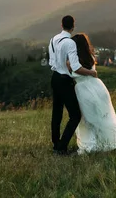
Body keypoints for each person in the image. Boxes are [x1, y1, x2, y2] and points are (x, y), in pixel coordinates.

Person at [69, 33, 116, 154]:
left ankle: (91, 144)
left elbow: (74, 70)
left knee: (87, 119)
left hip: (84, 91)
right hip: (97, 87)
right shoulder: (90, 56)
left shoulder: (73, 60)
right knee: (101, 118)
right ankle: (101, 140)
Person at [49, 15, 97, 155]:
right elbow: (76, 68)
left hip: (55, 78)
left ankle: (56, 143)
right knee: (75, 115)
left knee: (56, 113)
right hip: (64, 80)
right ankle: (62, 148)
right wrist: (91, 73)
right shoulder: (70, 43)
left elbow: (53, 62)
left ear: (61, 25)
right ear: (73, 26)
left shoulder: (53, 40)